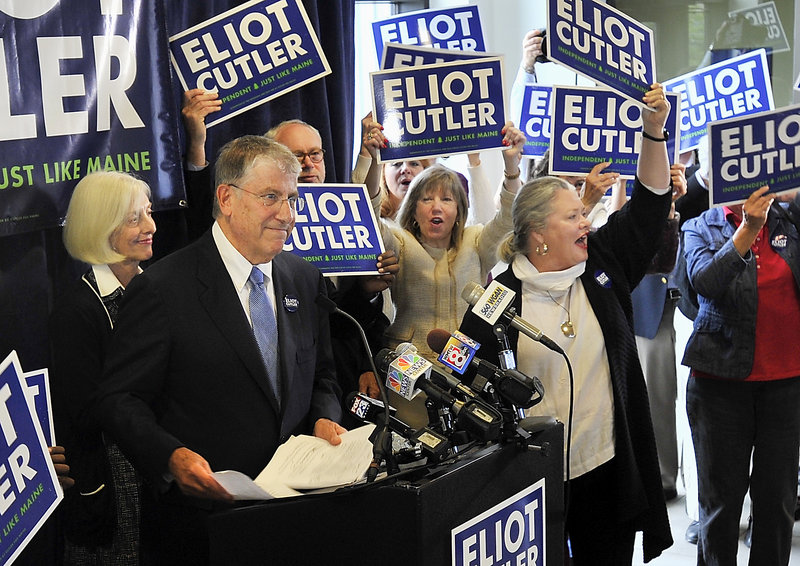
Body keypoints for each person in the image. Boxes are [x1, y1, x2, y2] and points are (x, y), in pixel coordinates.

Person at [94, 136, 345, 565]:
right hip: (203, 529)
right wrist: (170, 458)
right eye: (271, 197)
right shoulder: (163, 289)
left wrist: (325, 417)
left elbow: (321, 374)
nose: (287, 215)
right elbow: (120, 400)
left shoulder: (305, 279)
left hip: (299, 519)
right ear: (227, 198)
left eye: (292, 199)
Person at [459, 85, 674, 564]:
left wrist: (653, 132)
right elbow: (461, 372)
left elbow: (651, 205)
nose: (586, 223)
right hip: (530, 480)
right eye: (573, 216)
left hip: (606, 466)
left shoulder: (602, 262)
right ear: (538, 235)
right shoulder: (498, 296)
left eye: (584, 213)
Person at [682, 186, 800, 565]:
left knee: (777, 502)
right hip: (719, 385)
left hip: (787, 383)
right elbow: (705, 283)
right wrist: (748, 229)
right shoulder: (701, 226)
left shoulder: (790, 218)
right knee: (719, 504)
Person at [49, 170, 156, 564]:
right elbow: (84, 413)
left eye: (148, 213)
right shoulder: (76, 311)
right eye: (134, 218)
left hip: (160, 483)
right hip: (113, 489)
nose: (151, 227)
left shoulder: (159, 290)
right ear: (100, 225)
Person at [358, 122, 526, 362]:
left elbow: (508, 216)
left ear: (458, 210)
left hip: (466, 366)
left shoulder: (475, 241)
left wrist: (511, 165)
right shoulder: (400, 242)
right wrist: (374, 161)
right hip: (408, 366)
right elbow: (368, 216)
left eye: (446, 199)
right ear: (413, 210)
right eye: (426, 199)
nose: (436, 206)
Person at [631, 162, 688, 504]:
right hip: (632, 302)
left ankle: (664, 476)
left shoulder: (672, 177)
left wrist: (670, 204)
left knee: (660, 395)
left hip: (659, 304)